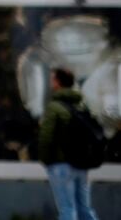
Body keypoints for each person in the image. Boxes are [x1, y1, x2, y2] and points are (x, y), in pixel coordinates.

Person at [37, 67, 99, 220]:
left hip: (60, 165)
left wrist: (45, 160)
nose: (51, 83)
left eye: (53, 79)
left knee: (67, 209)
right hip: (81, 163)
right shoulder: (82, 106)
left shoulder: (54, 107)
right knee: (84, 208)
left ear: (58, 82)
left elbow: (46, 137)